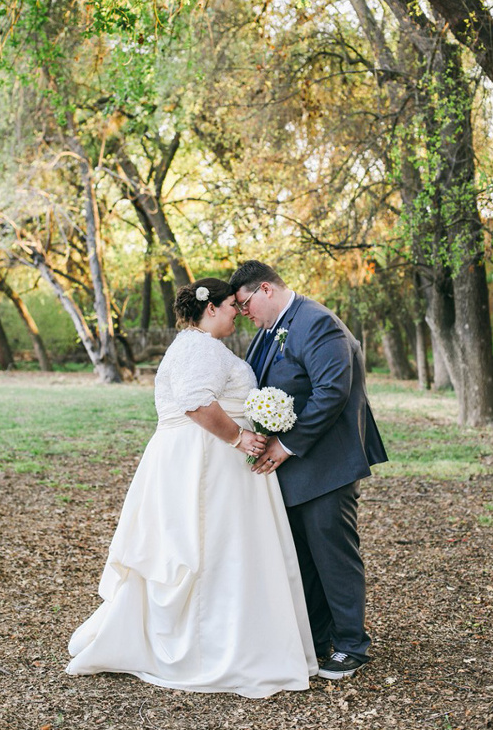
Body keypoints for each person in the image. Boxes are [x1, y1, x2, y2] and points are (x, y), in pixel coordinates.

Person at [66, 278, 318, 697]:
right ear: (212, 308)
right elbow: (196, 403)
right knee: (211, 548)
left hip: (199, 458)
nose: (238, 312)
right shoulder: (199, 346)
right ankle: (213, 649)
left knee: (220, 549)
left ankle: (230, 639)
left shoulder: (198, 345)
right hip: (205, 461)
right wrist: (239, 437)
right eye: (231, 306)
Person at [230, 261, 388, 680]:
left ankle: (352, 644)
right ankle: (317, 640)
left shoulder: (318, 323)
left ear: (265, 289)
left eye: (245, 304)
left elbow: (332, 391)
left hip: (327, 464)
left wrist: (286, 443)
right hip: (296, 468)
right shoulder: (270, 331)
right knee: (304, 557)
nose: (244, 314)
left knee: (333, 554)